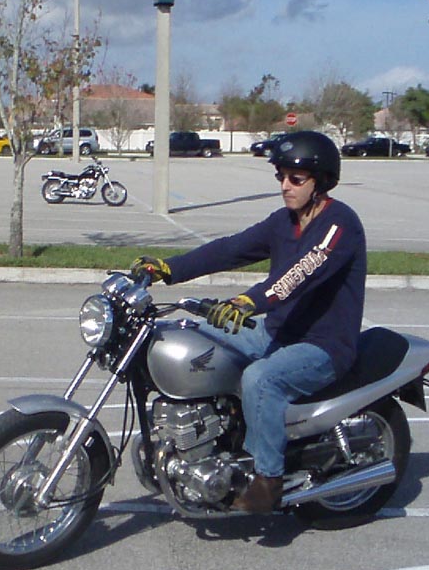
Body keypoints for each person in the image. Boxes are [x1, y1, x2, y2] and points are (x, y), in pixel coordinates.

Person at [131, 131, 367, 513]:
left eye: (296, 179)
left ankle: (267, 480)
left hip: (323, 346)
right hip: (276, 332)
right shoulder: (284, 221)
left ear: (321, 181)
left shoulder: (339, 225)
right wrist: (170, 269)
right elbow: (231, 248)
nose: (285, 186)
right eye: (281, 177)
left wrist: (250, 301)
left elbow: (301, 272)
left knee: (261, 379)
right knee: (192, 342)